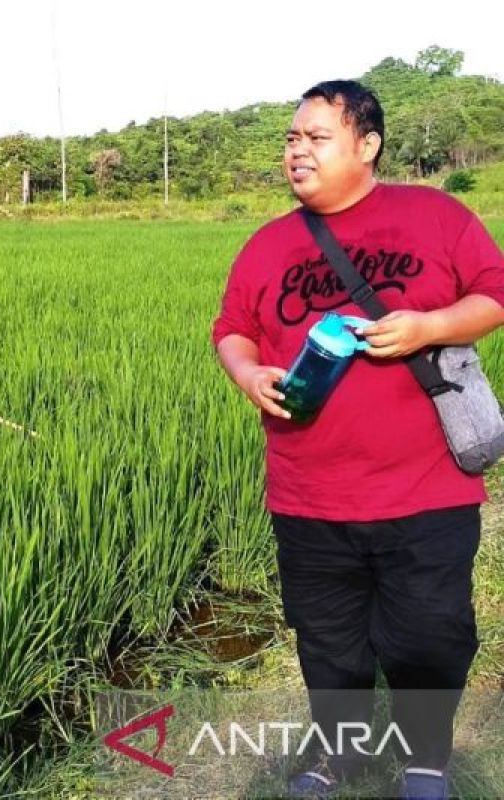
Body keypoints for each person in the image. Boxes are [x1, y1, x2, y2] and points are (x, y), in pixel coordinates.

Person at [212, 79, 504, 799]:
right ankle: (335, 755)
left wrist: (428, 325)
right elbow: (232, 331)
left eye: (316, 137)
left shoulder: (434, 215)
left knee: (429, 637)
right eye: (291, 138)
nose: (297, 151)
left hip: (426, 489)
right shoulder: (268, 243)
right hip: (309, 495)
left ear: (366, 145)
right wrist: (248, 374)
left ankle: (426, 760)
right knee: (329, 644)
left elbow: (493, 294)